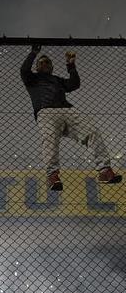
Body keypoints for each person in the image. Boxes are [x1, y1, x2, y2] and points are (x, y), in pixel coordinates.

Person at [20, 44, 122, 190]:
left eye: (47, 62)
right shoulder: (32, 79)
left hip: (67, 110)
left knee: (92, 131)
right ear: (36, 67)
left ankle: (105, 170)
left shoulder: (57, 80)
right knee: (49, 139)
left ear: (52, 67)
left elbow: (74, 83)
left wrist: (71, 65)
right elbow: (24, 70)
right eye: (41, 63)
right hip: (46, 111)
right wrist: (34, 53)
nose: (44, 64)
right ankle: (52, 176)